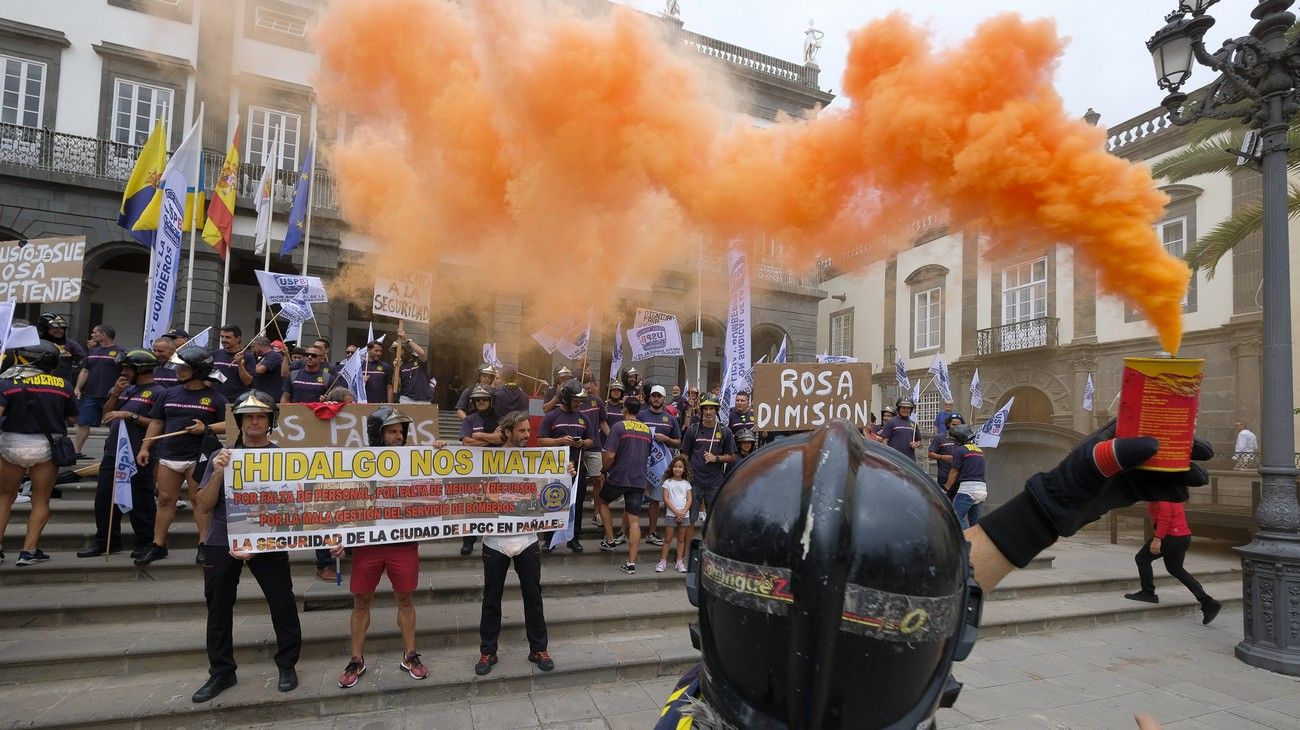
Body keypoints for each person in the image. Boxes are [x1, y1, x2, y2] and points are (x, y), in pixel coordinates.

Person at [653, 419, 1214, 728]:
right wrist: (1051, 503)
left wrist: (1048, 508)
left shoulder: (688, 712)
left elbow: (909, 600)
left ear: (704, 583)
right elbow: (916, 605)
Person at [190, 390, 301, 703]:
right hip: (221, 539)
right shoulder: (221, 456)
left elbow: (294, 505)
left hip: (268, 540)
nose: (255, 421)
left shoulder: (283, 458)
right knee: (219, 608)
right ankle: (221, 672)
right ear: (239, 421)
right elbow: (203, 504)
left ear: (270, 421)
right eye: (249, 416)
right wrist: (219, 473)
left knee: (282, 602)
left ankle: (287, 664)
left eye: (261, 416)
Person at [334, 406, 435, 688]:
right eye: (392, 431)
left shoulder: (415, 459)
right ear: (378, 434)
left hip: (403, 542)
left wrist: (440, 452)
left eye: (401, 432)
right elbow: (345, 499)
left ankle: (410, 654)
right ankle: (356, 658)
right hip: (369, 544)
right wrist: (341, 535)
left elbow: (435, 483)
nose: (398, 436)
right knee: (361, 601)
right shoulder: (358, 461)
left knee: (405, 598)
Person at [475, 409, 554, 677]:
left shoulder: (537, 459)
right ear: (507, 432)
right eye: (521, 431)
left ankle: (538, 649)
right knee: (491, 599)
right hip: (495, 539)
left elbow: (551, 487)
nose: (526, 435)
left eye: (528, 431)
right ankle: (488, 651)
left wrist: (565, 472)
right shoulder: (487, 459)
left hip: (528, 538)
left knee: (533, 596)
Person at [135, 346, 228, 567]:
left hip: (199, 457)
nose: (178, 371)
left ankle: (204, 545)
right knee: (166, 500)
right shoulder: (169, 393)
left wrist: (206, 427)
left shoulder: (216, 397)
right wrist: (145, 447)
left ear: (197, 369)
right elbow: (157, 421)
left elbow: (230, 425)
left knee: (199, 502)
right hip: (169, 454)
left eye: (184, 367)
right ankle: (158, 545)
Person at [78, 349, 162, 559]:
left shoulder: (159, 392)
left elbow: (160, 424)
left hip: (138, 453)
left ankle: (144, 541)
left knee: (141, 500)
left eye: (126, 368)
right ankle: (106, 540)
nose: (123, 372)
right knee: (105, 499)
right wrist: (115, 393)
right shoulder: (124, 388)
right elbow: (107, 414)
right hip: (113, 451)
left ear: (140, 369)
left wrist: (130, 415)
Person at [0, 342, 78, 566]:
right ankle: (29, 551)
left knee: (5, 497)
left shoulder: (6, 381)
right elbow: (73, 418)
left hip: (12, 443)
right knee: (41, 499)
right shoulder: (63, 384)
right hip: (47, 445)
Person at [1124, 500, 1223, 624]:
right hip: (1182, 535)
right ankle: (1208, 602)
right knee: (1175, 568)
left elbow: (1165, 517)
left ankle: (1148, 593)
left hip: (1170, 535)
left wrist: (1157, 538)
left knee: (1142, 558)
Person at [537, 379, 595, 552]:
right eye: (575, 400)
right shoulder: (552, 416)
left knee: (576, 503)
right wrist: (559, 441)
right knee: (551, 502)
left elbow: (592, 440)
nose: (578, 403)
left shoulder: (584, 418)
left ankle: (573, 538)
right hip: (554, 467)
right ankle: (549, 539)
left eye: (580, 400)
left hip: (577, 466)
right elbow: (540, 440)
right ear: (566, 398)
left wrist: (583, 443)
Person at [599, 398, 652, 573]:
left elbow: (609, 456)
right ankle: (631, 563)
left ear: (625, 409)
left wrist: (604, 469)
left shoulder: (619, 426)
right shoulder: (646, 430)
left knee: (602, 500)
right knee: (634, 520)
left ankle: (610, 539)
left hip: (619, 477)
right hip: (638, 480)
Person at [679, 395, 736, 546]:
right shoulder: (693, 429)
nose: (709, 412)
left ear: (716, 410)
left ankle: (710, 551)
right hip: (694, 482)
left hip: (715, 482)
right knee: (689, 519)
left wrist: (716, 458)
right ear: (702, 410)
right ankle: (685, 554)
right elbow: (684, 454)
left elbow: (731, 457)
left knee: (713, 520)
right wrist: (684, 475)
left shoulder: (725, 431)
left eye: (712, 408)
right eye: (706, 408)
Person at [459, 385, 503, 556]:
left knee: (494, 503)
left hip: (496, 467)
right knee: (471, 505)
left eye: (484, 399)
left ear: (491, 401)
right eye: (477, 399)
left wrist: (479, 436)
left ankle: (493, 540)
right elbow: (466, 442)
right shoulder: (469, 419)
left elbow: (502, 438)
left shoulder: (500, 418)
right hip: (474, 468)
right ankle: (468, 542)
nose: (481, 402)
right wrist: (490, 438)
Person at [638, 385, 682, 549]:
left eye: (659, 396)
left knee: (655, 501)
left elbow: (678, 441)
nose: (656, 399)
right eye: (654, 396)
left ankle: (651, 532)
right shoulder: (641, 415)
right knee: (634, 499)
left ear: (664, 398)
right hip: (641, 463)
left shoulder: (670, 419)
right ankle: (624, 532)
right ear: (650, 397)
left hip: (660, 466)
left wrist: (666, 439)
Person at [72, 324, 122, 458]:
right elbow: (85, 370)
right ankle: (76, 452)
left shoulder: (120, 352)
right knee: (83, 422)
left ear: (103, 335)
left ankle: (111, 453)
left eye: (95, 333)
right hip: (91, 395)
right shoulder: (92, 352)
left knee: (114, 424)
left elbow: (126, 373)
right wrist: (77, 388)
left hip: (112, 396)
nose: (92, 335)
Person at [944, 424, 987, 529]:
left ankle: (968, 540)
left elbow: (954, 472)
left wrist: (946, 489)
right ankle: (979, 542)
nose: (954, 442)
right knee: (975, 521)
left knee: (956, 517)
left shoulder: (960, 450)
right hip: (982, 490)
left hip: (967, 489)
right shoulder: (979, 450)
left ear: (959, 438)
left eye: (954, 439)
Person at [656, 455, 692, 574]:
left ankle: (679, 561)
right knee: (667, 539)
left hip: (684, 515)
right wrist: (676, 512)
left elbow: (689, 499)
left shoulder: (686, 484)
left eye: (680, 467)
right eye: (675, 466)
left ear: (684, 469)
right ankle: (663, 561)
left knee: (681, 539)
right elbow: (665, 499)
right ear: (672, 468)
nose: (677, 469)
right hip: (671, 514)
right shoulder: (667, 482)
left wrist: (683, 512)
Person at [37, 313, 86, 383]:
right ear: (45, 328)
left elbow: (84, 363)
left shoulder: (70, 344)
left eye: (61, 328)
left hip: (62, 384)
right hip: (38, 383)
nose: (59, 330)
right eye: (55, 327)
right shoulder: (35, 343)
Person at [211, 325, 254, 402]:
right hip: (215, 399)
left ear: (238, 339)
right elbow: (211, 378)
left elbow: (247, 382)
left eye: (228, 337)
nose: (223, 340)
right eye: (222, 337)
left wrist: (240, 364)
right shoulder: (215, 354)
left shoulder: (248, 356)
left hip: (237, 400)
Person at [928, 413, 964, 498]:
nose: (956, 427)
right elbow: (930, 454)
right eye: (953, 425)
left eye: (959, 425)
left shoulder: (964, 439)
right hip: (944, 477)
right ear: (948, 424)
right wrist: (942, 457)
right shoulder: (940, 437)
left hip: (961, 478)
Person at [238, 336, 284, 401]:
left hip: (270, 397)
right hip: (260, 396)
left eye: (253, 346)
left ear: (258, 344)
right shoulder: (261, 358)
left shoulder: (275, 355)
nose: (252, 349)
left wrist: (248, 362)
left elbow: (260, 370)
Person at [393, 335, 434, 404]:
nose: (397, 353)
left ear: (406, 350)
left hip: (423, 400)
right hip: (406, 400)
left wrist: (406, 339)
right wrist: (396, 368)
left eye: (399, 350)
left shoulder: (418, 361)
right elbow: (396, 385)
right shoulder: (400, 366)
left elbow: (422, 353)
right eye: (395, 351)